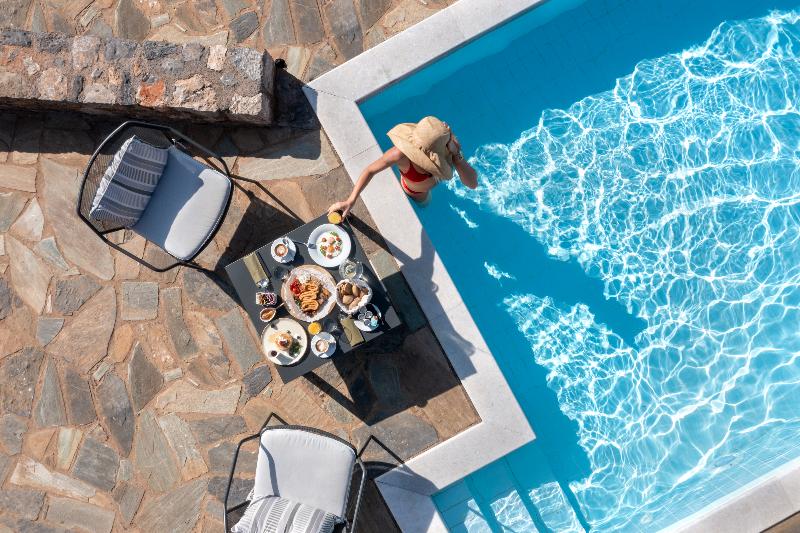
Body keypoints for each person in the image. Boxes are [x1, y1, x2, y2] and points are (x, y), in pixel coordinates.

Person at [327, 116, 478, 217]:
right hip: (416, 193)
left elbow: (472, 184)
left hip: (425, 184)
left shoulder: (449, 147)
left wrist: (457, 156)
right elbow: (370, 170)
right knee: (425, 206)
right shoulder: (400, 155)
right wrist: (350, 200)